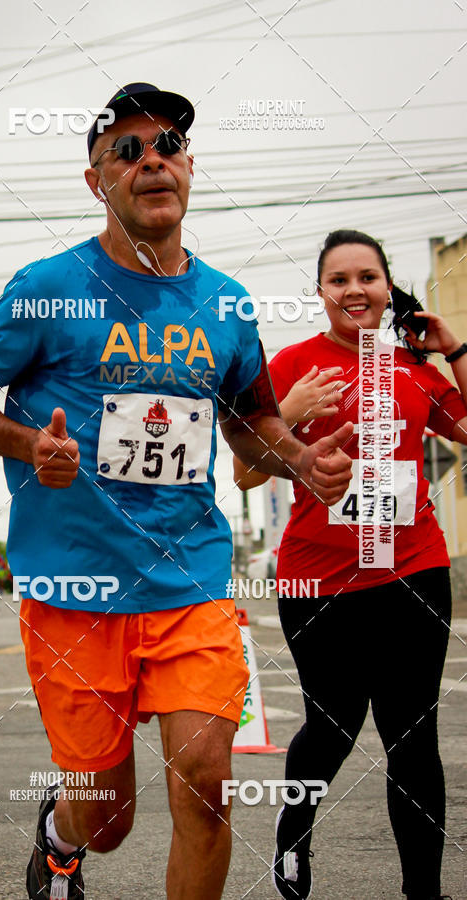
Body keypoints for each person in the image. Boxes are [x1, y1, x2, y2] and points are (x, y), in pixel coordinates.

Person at [0, 83, 353, 900]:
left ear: (190, 167)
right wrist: (31, 444)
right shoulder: (44, 288)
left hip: (191, 581)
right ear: (96, 180)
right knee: (109, 821)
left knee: (206, 785)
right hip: (75, 589)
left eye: (168, 144)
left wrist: (301, 461)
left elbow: (251, 424)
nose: (153, 162)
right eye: (128, 151)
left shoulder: (228, 304)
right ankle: (63, 838)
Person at [234, 229, 466, 900]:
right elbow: (247, 473)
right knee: (331, 723)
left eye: (368, 277)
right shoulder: (290, 367)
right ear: (321, 292)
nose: (355, 290)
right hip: (318, 578)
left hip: (412, 568)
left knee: (413, 738)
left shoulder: (413, 367)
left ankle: (423, 891)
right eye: (340, 279)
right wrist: (293, 413)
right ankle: (294, 826)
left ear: (388, 288)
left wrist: (451, 347)